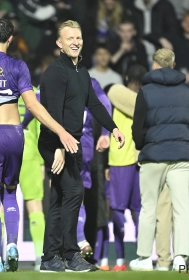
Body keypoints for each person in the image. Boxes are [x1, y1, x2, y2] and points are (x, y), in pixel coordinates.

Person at [0, 18, 78, 273]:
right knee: (10, 192)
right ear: (10, 39)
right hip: (14, 134)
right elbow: (32, 106)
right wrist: (60, 130)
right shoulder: (19, 66)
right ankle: (13, 244)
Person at [38, 20, 125, 273]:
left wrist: (113, 127)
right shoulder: (55, 72)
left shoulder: (82, 71)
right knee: (75, 191)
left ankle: (50, 258)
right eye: (69, 38)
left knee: (59, 198)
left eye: (78, 37)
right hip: (56, 142)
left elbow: (95, 105)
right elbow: (51, 112)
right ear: (59, 43)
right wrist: (59, 146)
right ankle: (71, 253)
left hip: (71, 143)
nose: (75, 42)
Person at [130, 49, 189, 271]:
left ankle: (145, 258)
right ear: (173, 65)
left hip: (153, 157)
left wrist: (144, 144)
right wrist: (188, 144)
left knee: (148, 208)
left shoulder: (144, 92)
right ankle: (180, 258)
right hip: (181, 157)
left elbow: (137, 129)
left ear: (154, 65)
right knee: (182, 209)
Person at [106, 65, 147, 271]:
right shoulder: (146, 101)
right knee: (138, 211)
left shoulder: (115, 94)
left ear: (127, 76)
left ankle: (121, 259)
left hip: (120, 159)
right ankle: (143, 257)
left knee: (118, 210)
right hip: (139, 160)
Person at [77, 77, 112, 260]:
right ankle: (80, 245)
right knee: (79, 196)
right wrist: (106, 133)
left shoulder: (54, 78)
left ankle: (75, 245)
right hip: (87, 145)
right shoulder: (90, 81)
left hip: (63, 143)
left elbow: (37, 103)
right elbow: (106, 103)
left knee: (65, 198)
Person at [18, 87, 46, 271]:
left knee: (4, 203)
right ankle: (39, 257)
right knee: (34, 205)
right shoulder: (34, 93)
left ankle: (2, 256)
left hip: (6, 151)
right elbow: (39, 127)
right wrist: (42, 161)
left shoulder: (3, 89)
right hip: (29, 153)